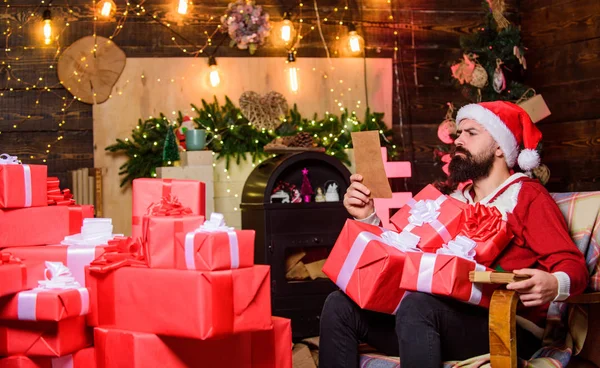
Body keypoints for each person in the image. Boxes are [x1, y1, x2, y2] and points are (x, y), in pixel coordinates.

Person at [319, 101, 589, 368]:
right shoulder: (451, 202)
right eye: (458, 133)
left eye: (471, 133)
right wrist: (368, 215)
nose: (459, 140)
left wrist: (555, 283)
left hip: (504, 326)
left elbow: (573, 265)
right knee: (339, 305)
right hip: (431, 319)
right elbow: (404, 255)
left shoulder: (526, 196)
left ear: (499, 147)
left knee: (417, 306)